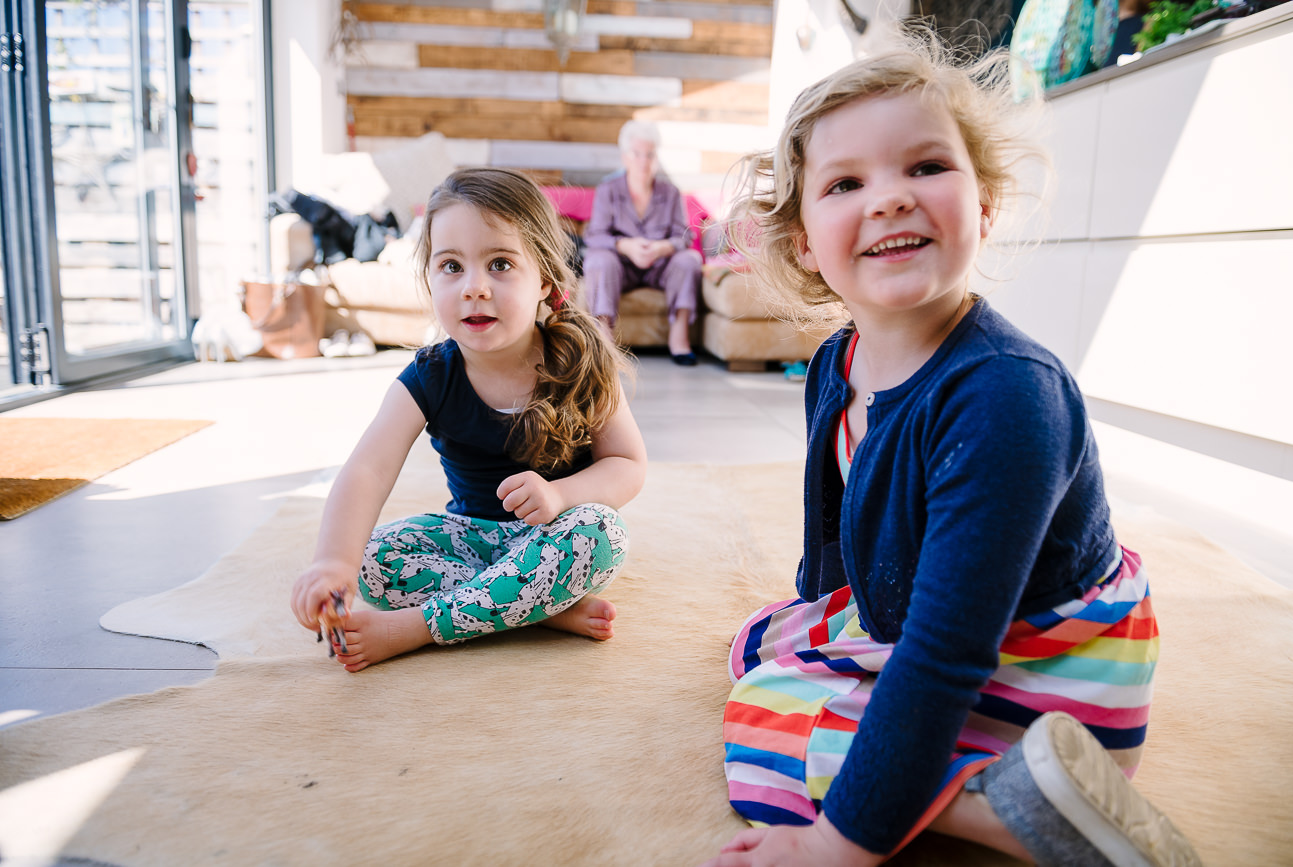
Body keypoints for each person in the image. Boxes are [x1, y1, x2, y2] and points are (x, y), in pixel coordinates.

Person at [701, 37, 1202, 867]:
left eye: (926, 167)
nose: (892, 198)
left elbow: (946, 653)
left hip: (1059, 665)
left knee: (764, 715)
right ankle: (957, 768)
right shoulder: (837, 361)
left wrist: (836, 845)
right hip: (950, 616)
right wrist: (827, 624)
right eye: (847, 183)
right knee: (759, 643)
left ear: (986, 204)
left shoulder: (1006, 395)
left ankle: (1020, 806)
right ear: (801, 242)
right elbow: (833, 531)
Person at [290, 167, 647, 673]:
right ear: (430, 277)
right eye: (452, 266)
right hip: (469, 540)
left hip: (555, 536)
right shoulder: (430, 375)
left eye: (500, 264)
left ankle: (420, 627)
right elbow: (368, 469)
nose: (474, 287)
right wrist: (334, 562)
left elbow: (628, 464)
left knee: (602, 533)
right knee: (372, 559)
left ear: (544, 279)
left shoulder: (582, 361)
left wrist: (560, 496)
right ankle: (535, 611)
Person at [584, 120, 703, 365]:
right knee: (599, 259)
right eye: (637, 154)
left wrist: (663, 247)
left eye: (649, 154)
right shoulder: (609, 190)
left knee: (690, 259)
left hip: (659, 268)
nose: (643, 161)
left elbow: (684, 236)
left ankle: (679, 339)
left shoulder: (670, 192)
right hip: (621, 267)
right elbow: (595, 236)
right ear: (625, 157)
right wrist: (625, 245)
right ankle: (604, 339)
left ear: (656, 158)